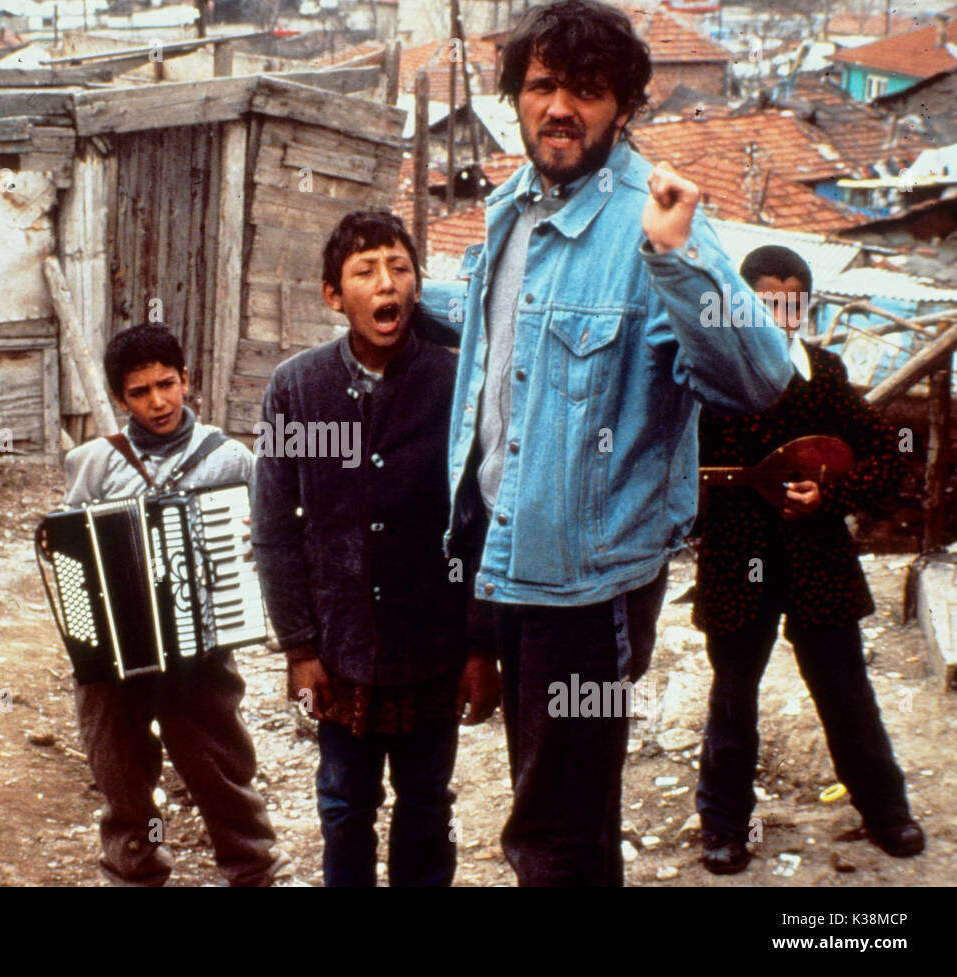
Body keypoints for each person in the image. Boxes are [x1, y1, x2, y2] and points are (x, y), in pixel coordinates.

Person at [415, 0, 794, 885]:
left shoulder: (658, 223)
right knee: (554, 805)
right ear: (514, 96)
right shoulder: (511, 209)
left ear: (623, 107)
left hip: (592, 593)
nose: (559, 107)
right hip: (503, 555)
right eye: (542, 85)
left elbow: (759, 379)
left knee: (557, 829)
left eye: (587, 90)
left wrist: (679, 257)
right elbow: (489, 352)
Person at [251, 211, 499, 887]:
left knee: (426, 804)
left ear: (417, 285)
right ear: (335, 296)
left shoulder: (459, 388)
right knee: (344, 804)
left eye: (398, 267)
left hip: (435, 646)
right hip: (342, 647)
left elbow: (482, 524)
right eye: (365, 271)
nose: (385, 283)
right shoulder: (297, 390)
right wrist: (300, 649)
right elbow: (274, 528)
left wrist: (482, 645)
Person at [693, 245, 923, 873]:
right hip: (738, 560)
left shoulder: (825, 372)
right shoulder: (712, 377)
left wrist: (831, 493)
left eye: (793, 302)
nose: (781, 314)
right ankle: (723, 825)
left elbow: (889, 452)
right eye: (767, 302)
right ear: (738, 307)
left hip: (818, 559)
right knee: (733, 696)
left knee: (846, 689)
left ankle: (886, 811)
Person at [56, 323, 295, 887]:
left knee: (219, 765)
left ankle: (256, 868)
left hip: (201, 648)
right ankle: (131, 871)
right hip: (113, 654)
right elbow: (71, 542)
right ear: (119, 398)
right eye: (139, 393)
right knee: (118, 769)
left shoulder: (229, 459)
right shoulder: (93, 462)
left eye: (167, 384)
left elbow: (270, 540)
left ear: (186, 379)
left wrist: (244, 557)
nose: (158, 402)